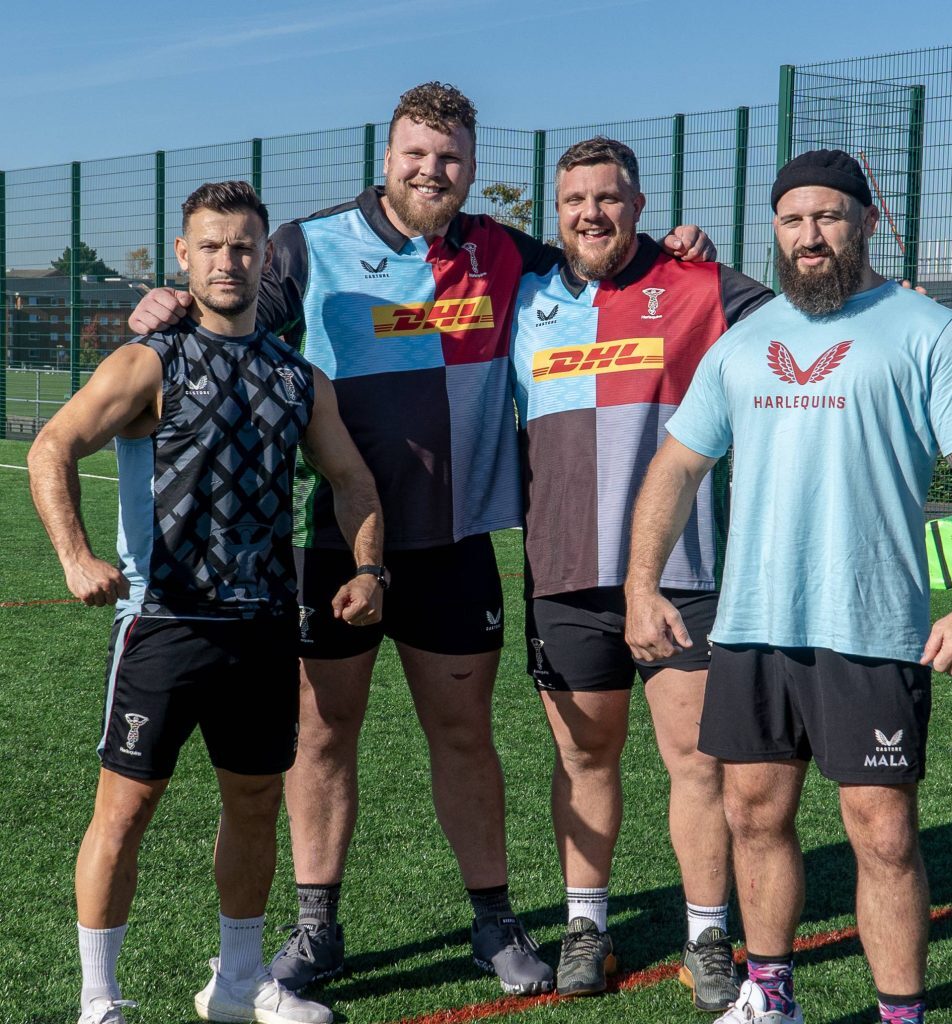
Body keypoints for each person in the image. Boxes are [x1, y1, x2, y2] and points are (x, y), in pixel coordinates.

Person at [128, 83, 713, 996]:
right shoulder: (310, 245)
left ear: (472, 169)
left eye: (449, 158)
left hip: (455, 544)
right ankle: (317, 929)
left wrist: (677, 244)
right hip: (335, 543)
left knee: (464, 734)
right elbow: (232, 305)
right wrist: (167, 303)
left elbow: (600, 256)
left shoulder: (504, 251)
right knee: (321, 737)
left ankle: (494, 920)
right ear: (388, 159)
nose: (431, 171)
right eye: (415, 154)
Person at [624, 149, 952, 1024]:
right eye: (793, 220)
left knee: (882, 834)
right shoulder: (746, 344)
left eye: (829, 216)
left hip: (871, 628)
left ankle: (900, 1015)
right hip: (754, 626)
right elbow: (679, 463)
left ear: (867, 221)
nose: (810, 236)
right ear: (775, 231)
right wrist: (641, 584)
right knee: (753, 813)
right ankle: (768, 996)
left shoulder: (928, 332)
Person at [29, 181, 385, 1024]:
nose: (230, 260)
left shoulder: (299, 379)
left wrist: (372, 571)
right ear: (184, 256)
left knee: (256, 802)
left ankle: (236, 983)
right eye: (213, 246)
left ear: (266, 258)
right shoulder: (149, 362)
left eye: (245, 247)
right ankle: (99, 999)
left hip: (263, 627)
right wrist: (76, 557)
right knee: (125, 808)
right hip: (164, 623)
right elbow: (54, 446)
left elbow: (352, 478)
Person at [509, 137, 771, 1006]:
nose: (591, 213)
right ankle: (587, 925)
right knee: (586, 760)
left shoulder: (703, 286)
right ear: (557, 211)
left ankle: (707, 936)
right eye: (575, 199)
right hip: (565, 574)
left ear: (639, 203)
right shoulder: (526, 295)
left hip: (681, 571)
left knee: (697, 763)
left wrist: (889, 307)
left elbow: (811, 316)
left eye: (609, 197)